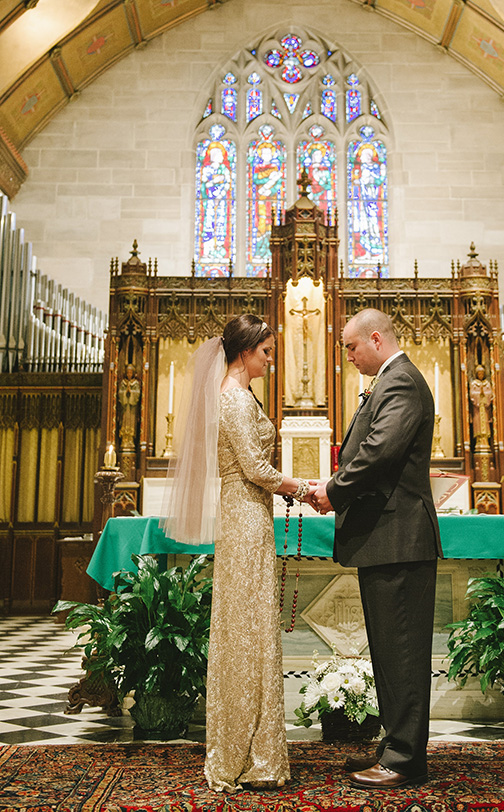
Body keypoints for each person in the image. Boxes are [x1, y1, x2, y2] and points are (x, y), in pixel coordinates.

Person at [163, 314, 312, 792]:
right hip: (246, 515)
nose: (271, 359)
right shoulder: (233, 396)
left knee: (250, 625)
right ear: (245, 352)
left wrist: (285, 489)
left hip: (250, 513)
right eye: (266, 351)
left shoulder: (237, 394)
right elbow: (253, 466)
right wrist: (303, 488)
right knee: (248, 627)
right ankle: (244, 752)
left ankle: (253, 748)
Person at [311, 308, 443, 789]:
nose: (348, 357)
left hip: (400, 538)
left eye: (351, 347)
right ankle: (394, 746)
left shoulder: (401, 381)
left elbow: (381, 450)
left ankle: (405, 759)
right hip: (386, 539)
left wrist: (334, 490)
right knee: (390, 652)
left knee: (402, 651)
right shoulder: (390, 380)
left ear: (375, 338)